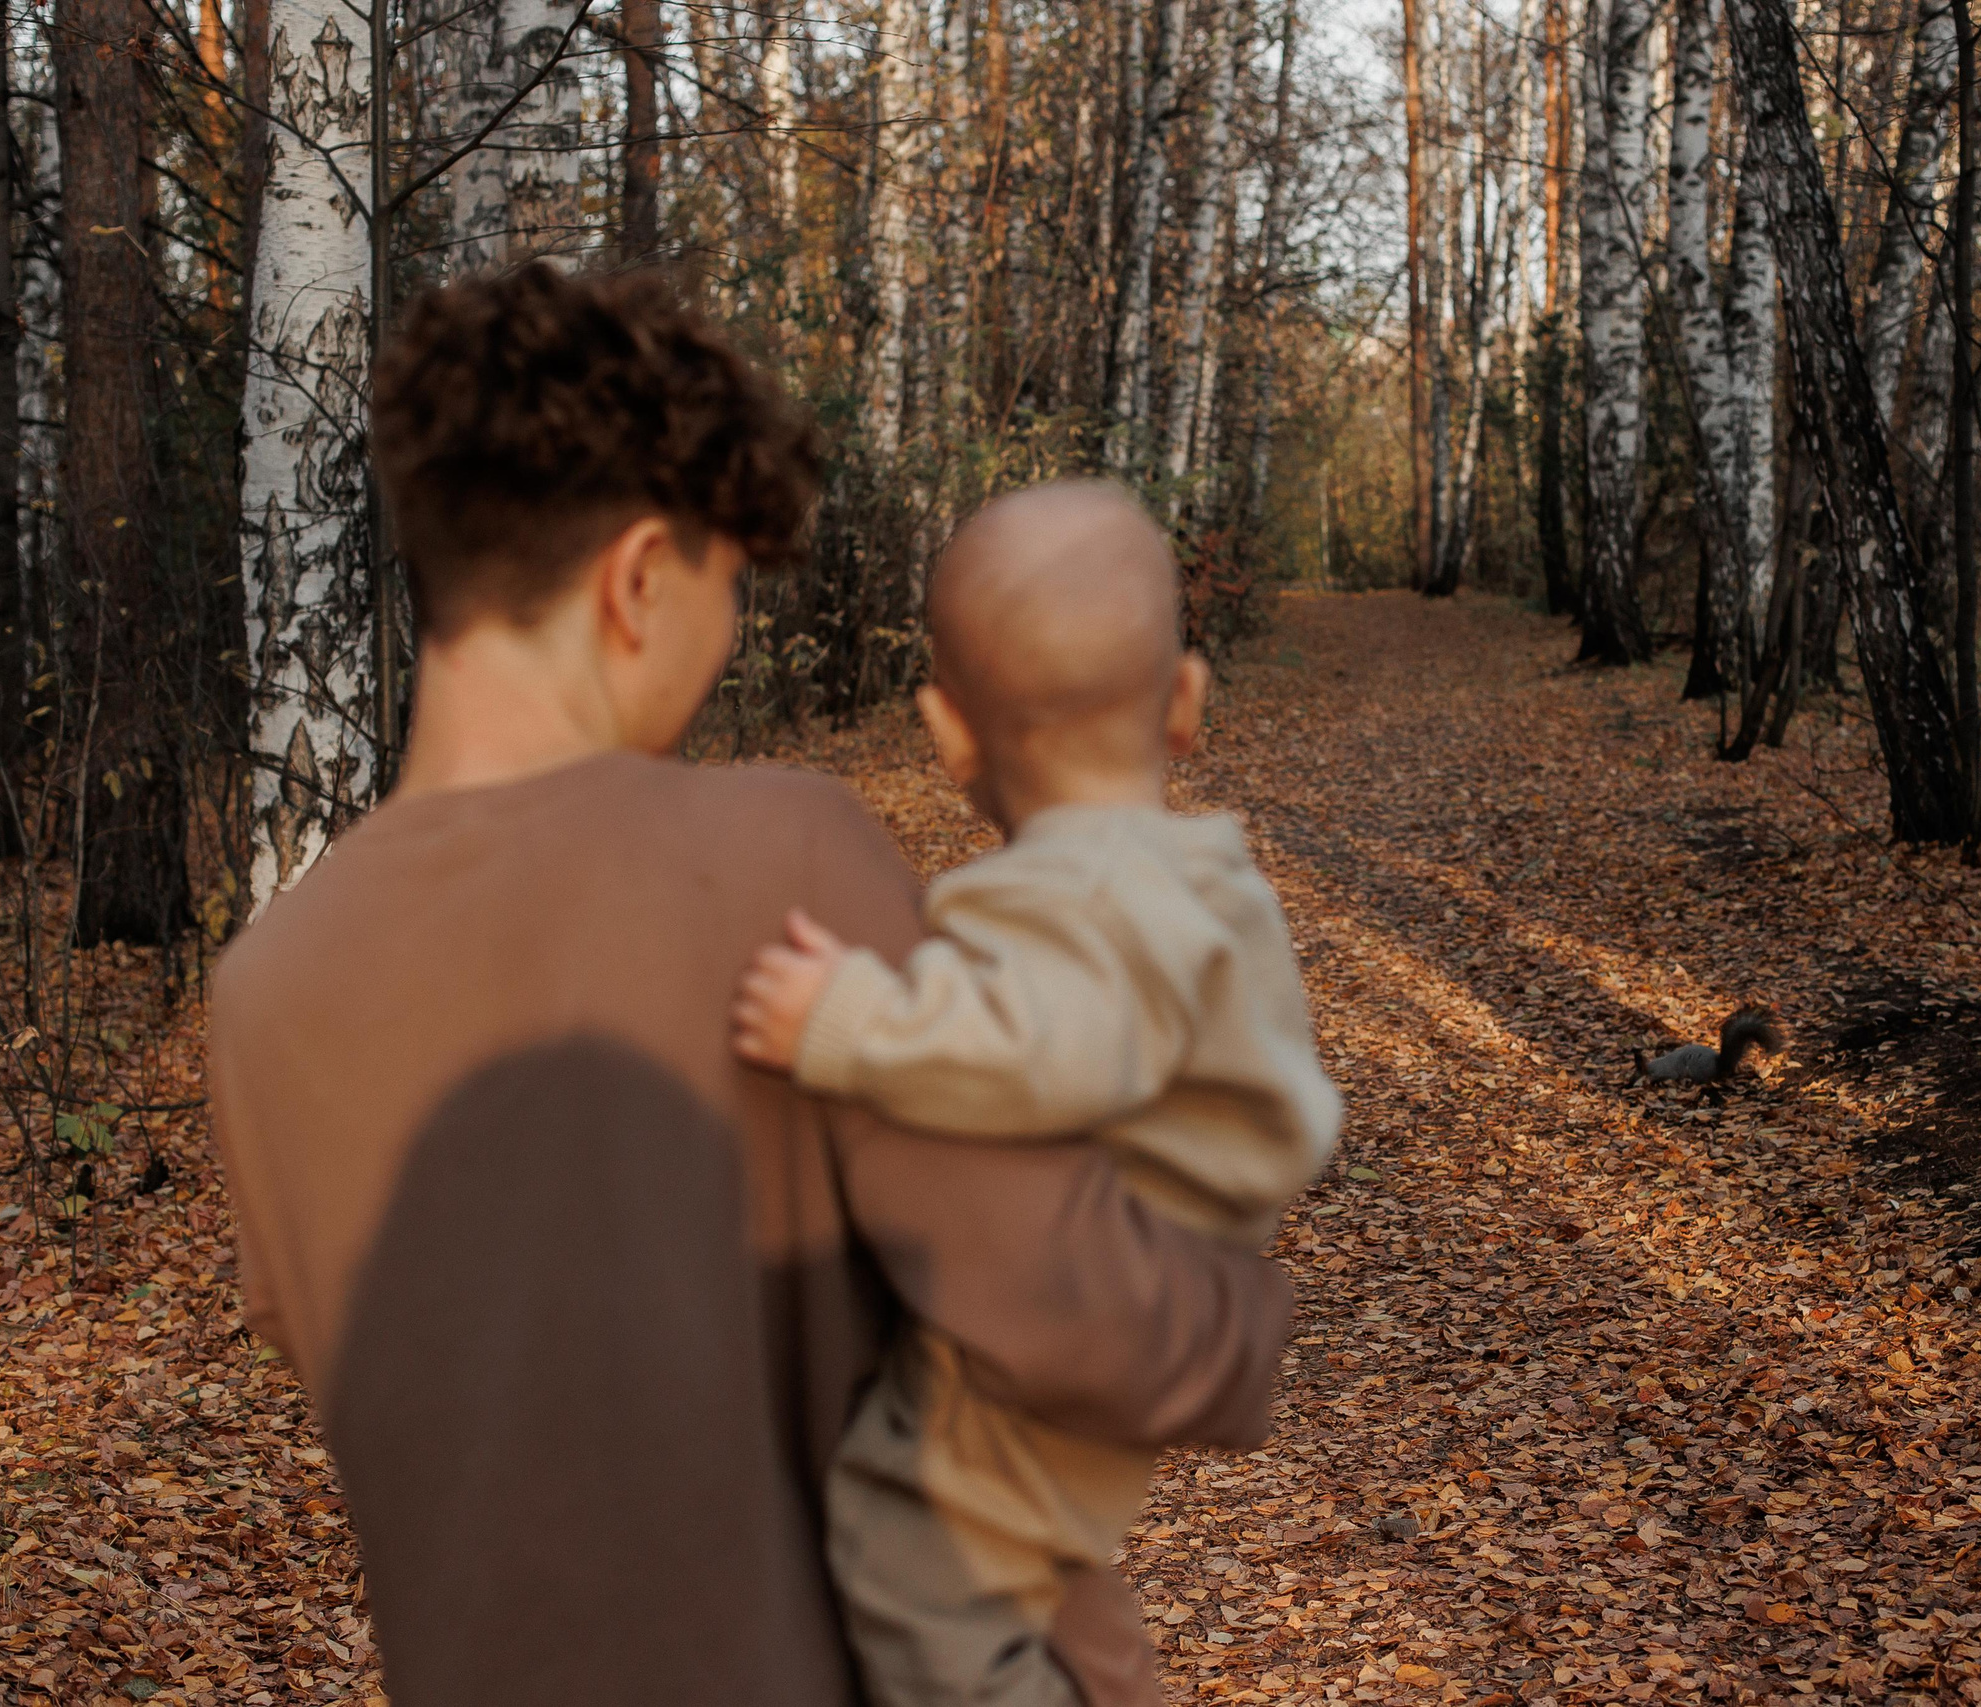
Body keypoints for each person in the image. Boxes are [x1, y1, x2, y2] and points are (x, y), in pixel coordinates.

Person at [205, 268, 1292, 1707]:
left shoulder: (263, 991)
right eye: (726, 589)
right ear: (639, 577)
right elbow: (1077, 1314)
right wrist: (1241, 1310)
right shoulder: (775, 852)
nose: (720, 653)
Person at [730, 482, 1342, 1707]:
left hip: (1084, 1300)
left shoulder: (1076, 894)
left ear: (947, 733)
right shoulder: (1200, 876)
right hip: (1159, 1285)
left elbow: (1046, 1046)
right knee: (1033, 1554)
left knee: (910, 1554)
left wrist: (855, 1022)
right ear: (1184, 704)